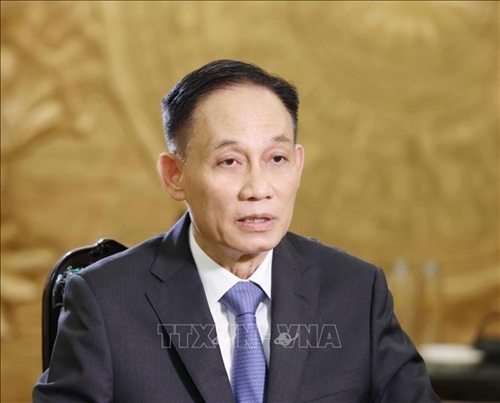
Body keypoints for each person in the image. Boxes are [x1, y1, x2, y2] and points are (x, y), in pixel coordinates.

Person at [33, 59, 440, 402]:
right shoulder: (105, 300)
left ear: (298, 165)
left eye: (276, 159)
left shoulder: (356, 291)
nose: (258, 189)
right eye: (230, 161)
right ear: (175, 175)